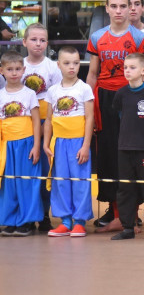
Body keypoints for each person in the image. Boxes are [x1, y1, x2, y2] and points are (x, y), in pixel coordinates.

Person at [86, 0, 144, 232]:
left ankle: (131, 215)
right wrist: (88, 106)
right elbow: (92, 73)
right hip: (105, 99)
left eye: (123, 6)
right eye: (113, 6)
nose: (118, 11)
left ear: (130, 8)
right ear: (106, 8)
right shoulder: (97, 37)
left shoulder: (139, 38)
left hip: (132, 98)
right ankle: (116, 213)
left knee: (132, 155)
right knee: (109, 155)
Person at [110, 54, 144, 241]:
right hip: (124, 149)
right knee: (125, 189)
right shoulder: (121, 94)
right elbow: (121, 116)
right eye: (125, 67)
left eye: (132, 67)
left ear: (143, 71)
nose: (127, 70)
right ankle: (127, 227)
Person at [43, 46, 94, 237]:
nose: (72, 67)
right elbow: (49, 119)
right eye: (67, 63)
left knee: (80, 182)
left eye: (76, 63)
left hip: (78, 142)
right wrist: (46, 144)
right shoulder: (53, 90)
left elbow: (90, 118)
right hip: (59, 143)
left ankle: (79, 221)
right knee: (61, 181)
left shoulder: (84, 88)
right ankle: (65, 221)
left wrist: (86, 145)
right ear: (58, 65)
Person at [21, 23, 62, 232]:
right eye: (34, 39)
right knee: (27, 169)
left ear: (47, 43)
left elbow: (58, 98)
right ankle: (27, 215)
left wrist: (52, 125)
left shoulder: (52, 67)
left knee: (46, 170)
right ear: (24, 42)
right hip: (23, 124)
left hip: (46, 122)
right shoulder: (18, 66)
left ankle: (45, 214)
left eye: (42, 40)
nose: (38, 44)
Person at [0, 50, 42, 237]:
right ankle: (10, 220)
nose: (14, 73)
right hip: (6, 146)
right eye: (10, 69)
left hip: (26, 144)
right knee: (9, 184)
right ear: (2, 71)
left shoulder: (30, 94)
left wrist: (36, 145)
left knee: (26, 183)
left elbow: (36, 121)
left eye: (18, 69)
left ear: (24, 70)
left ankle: (27, 221)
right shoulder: (0, 94)